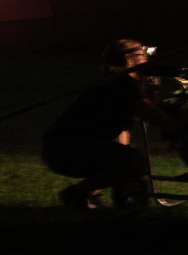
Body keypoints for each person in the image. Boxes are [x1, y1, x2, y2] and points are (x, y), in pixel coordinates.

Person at [42, 39, 176, 209]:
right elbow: (150, 113)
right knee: (136, 163)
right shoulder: (121, 82)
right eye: (142, 55)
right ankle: (77, 193)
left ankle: (91, 196)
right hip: (67, 150)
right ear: (128, 58)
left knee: (126, 148)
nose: (147, 60)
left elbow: (139, 114)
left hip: (58, 147)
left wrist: (150, 88)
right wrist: (179, 129)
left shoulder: (114, 80)